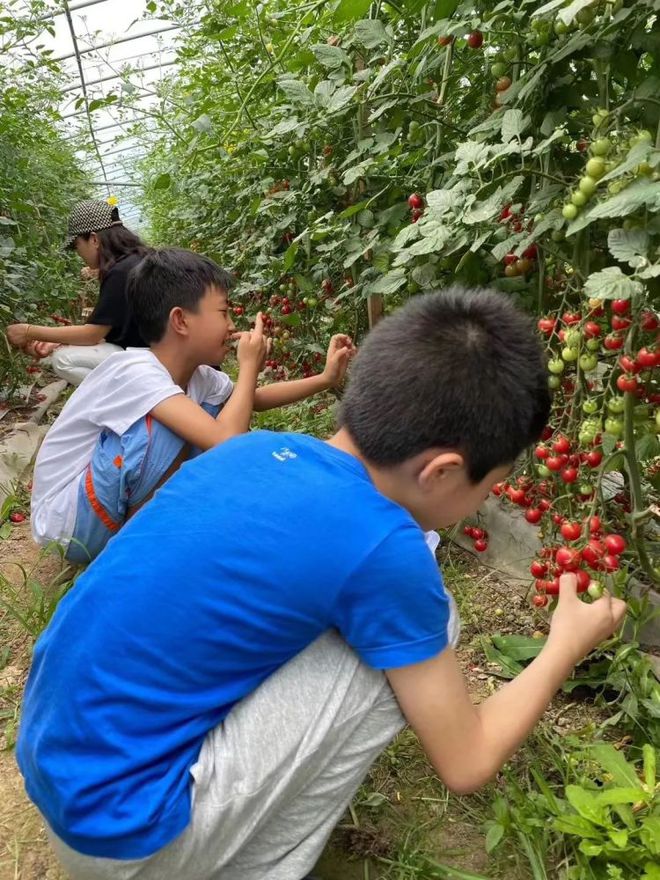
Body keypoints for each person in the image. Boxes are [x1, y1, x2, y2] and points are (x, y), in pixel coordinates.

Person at [16, 287, 626, 880]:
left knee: (358, 616)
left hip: (62, 768)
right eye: (490, 483)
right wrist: (563, 647)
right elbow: (467, 761)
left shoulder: (249, 450)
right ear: (441, 472)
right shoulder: (384, 546)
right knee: (428, 623)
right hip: (130, 839)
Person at [30, 247, 354, 564]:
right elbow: (227, 443)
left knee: (218, 412)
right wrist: (249, 367)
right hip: (68, 523)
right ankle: (137, 553)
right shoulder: (134, 371)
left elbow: (252, 400)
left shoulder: (198, 377)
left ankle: (169, 533)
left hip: (97, 510)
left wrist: (325, 378)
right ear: (181, 321)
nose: (230, 325)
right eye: (223, 312)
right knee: (172, 427)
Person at [6, 199, 149, 385]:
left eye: (76, 246)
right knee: (65, 352)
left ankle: (132, 399)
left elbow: (92, 335)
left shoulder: (122, 271)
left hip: (150, 360)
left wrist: (29, 331)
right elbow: (111, 328)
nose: (78, 253)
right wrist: (57, 341)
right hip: (153, 352)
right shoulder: (137, 261)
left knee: (64, 360)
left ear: (94, 239)